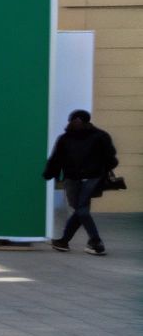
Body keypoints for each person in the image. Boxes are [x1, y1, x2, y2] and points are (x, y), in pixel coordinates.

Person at [44, 109, 120, 256]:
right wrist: (49, 174)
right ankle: (64, 241)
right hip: (72, 179)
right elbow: (56, 159)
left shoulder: (99, 137)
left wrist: (101, 171)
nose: (76, 123)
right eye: (74, 120)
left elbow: (110, 158)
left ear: (85, 122)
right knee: (79, 209)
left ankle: (96, 242)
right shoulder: (65, 139)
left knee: (82, 209)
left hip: (91, 178)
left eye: (78, 120)